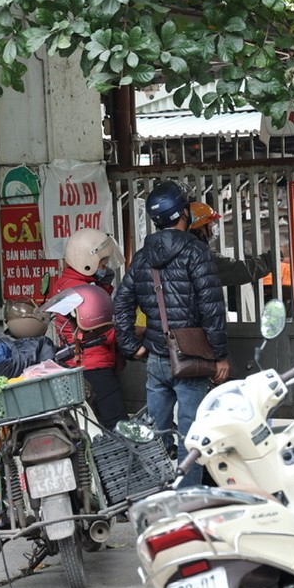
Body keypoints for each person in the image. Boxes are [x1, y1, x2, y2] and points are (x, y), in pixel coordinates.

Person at [114, 181, 228, 487]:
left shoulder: (142, 256)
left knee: (155, 432)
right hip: (191, 359)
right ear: (184, 214)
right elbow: (212, 307)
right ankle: (187, 496)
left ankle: (156, 491)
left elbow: (121, 302)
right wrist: (219, 355)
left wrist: (130, 346)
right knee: (191, 434)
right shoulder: (196, 253)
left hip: (156, 359)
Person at [48, 228, 127, 430]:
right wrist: (132, 335)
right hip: (94, 365)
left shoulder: (66, 283)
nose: (106, 267)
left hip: (77, 364)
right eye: (102, 263)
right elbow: (103, 333)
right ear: (86, 262)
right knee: (118, 427)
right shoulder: (83, 292)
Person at [187, 201, 273, 287]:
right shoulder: (201, 256)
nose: (213, 225)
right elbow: (240, 271)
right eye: (210, 222)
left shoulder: (185, 249)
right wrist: (272, 258)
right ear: (200, 228)